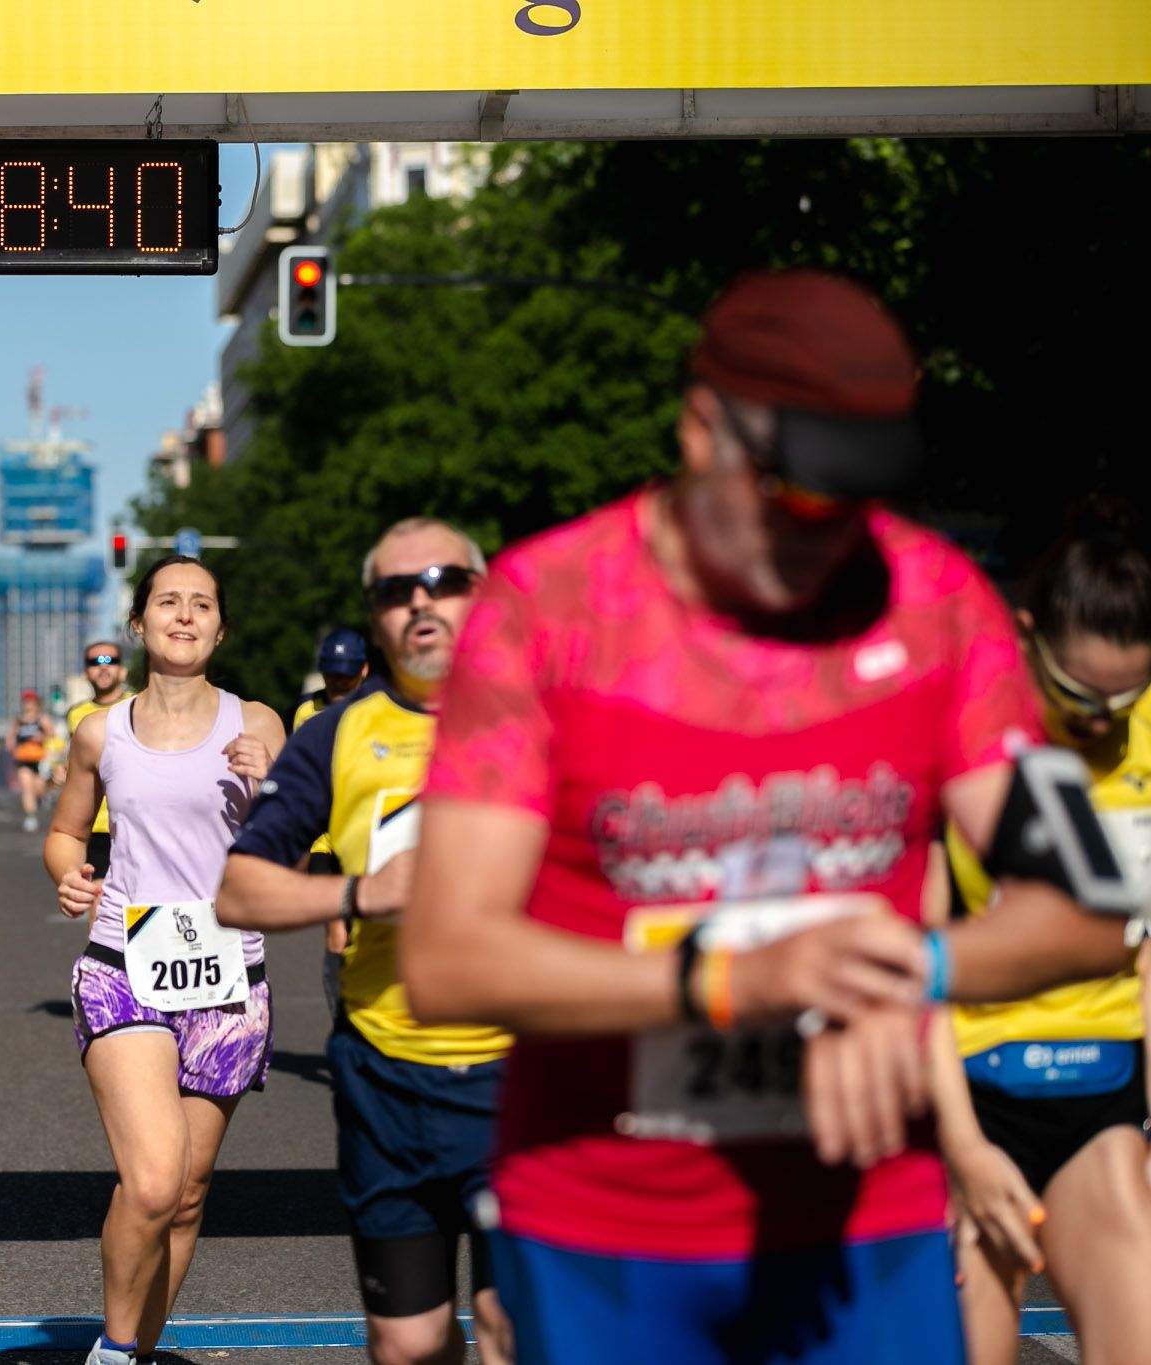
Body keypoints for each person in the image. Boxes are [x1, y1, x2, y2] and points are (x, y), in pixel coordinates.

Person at [399, 269, 1136, 1364]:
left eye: (856, 498)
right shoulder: (544, 606)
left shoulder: (934, 605)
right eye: (792, 494)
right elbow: (448, 960)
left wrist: (900, 969)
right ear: (702, 430)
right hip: (607, 1227)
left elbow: (1086, 906)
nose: (825, 534)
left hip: (862, 1223)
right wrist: (734, 983)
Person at [219, 520, 512, 1365]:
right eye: (395, 589)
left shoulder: (551, 716)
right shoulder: (338, 735)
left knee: (510, 1328)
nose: (421, 600)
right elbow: (239, 887)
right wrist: (360, 891)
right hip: (388, 1072)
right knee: (407, 1342)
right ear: (376, 617)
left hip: (524, 1072)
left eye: (445, 579)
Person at [46, 556, 285, 1365]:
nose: (184, 616)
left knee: (185, 1198)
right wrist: (67, 875)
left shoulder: (258, 723)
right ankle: (113, 1351)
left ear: (221, 627)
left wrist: (275, 786)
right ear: (138, 624)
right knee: (151, 1180)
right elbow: (66, 832)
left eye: (202, 604)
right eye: (168, 603)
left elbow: (289, 835)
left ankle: (140, 1351)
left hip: (227, 973)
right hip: (124, 962)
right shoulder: (99, 731)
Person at [929, 506, 1151, 1365]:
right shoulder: (961, 730)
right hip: (970, 1093)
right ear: (1028, 637)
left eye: (1128, 697)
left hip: (1100, 1094)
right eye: (1081, 695)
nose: (1104, 719)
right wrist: (959, 1146)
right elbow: (914, 953)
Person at [292, 628, 371, 1009]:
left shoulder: (377, 710)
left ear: (364, 670)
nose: (339, 682)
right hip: (325, 841)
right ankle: (344, 1026)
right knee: (336, 934)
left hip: (368, 836)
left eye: (348, 673)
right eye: (332, 673)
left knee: (374, 933)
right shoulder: (306, 712)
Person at [65, 641, 135, 880]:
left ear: (122, 670)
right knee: (98, 896)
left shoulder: (140, 704)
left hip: (135, 818)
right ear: (86, 672)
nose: (103, 667)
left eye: (110, 661)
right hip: (95, 823)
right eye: (95, 662)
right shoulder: (76, 713)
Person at [10, 690, 55, 833]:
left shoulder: (42, 719)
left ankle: (40, 800)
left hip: (39, 759)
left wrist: (41, 737)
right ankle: (31, 816)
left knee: (38, 788)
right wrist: (12, 748)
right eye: (26, 701)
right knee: (26, 787)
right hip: (23, 759)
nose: (28, 704)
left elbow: (52, 734)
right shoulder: (18, 720)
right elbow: (10, 738)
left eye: (31, 701)